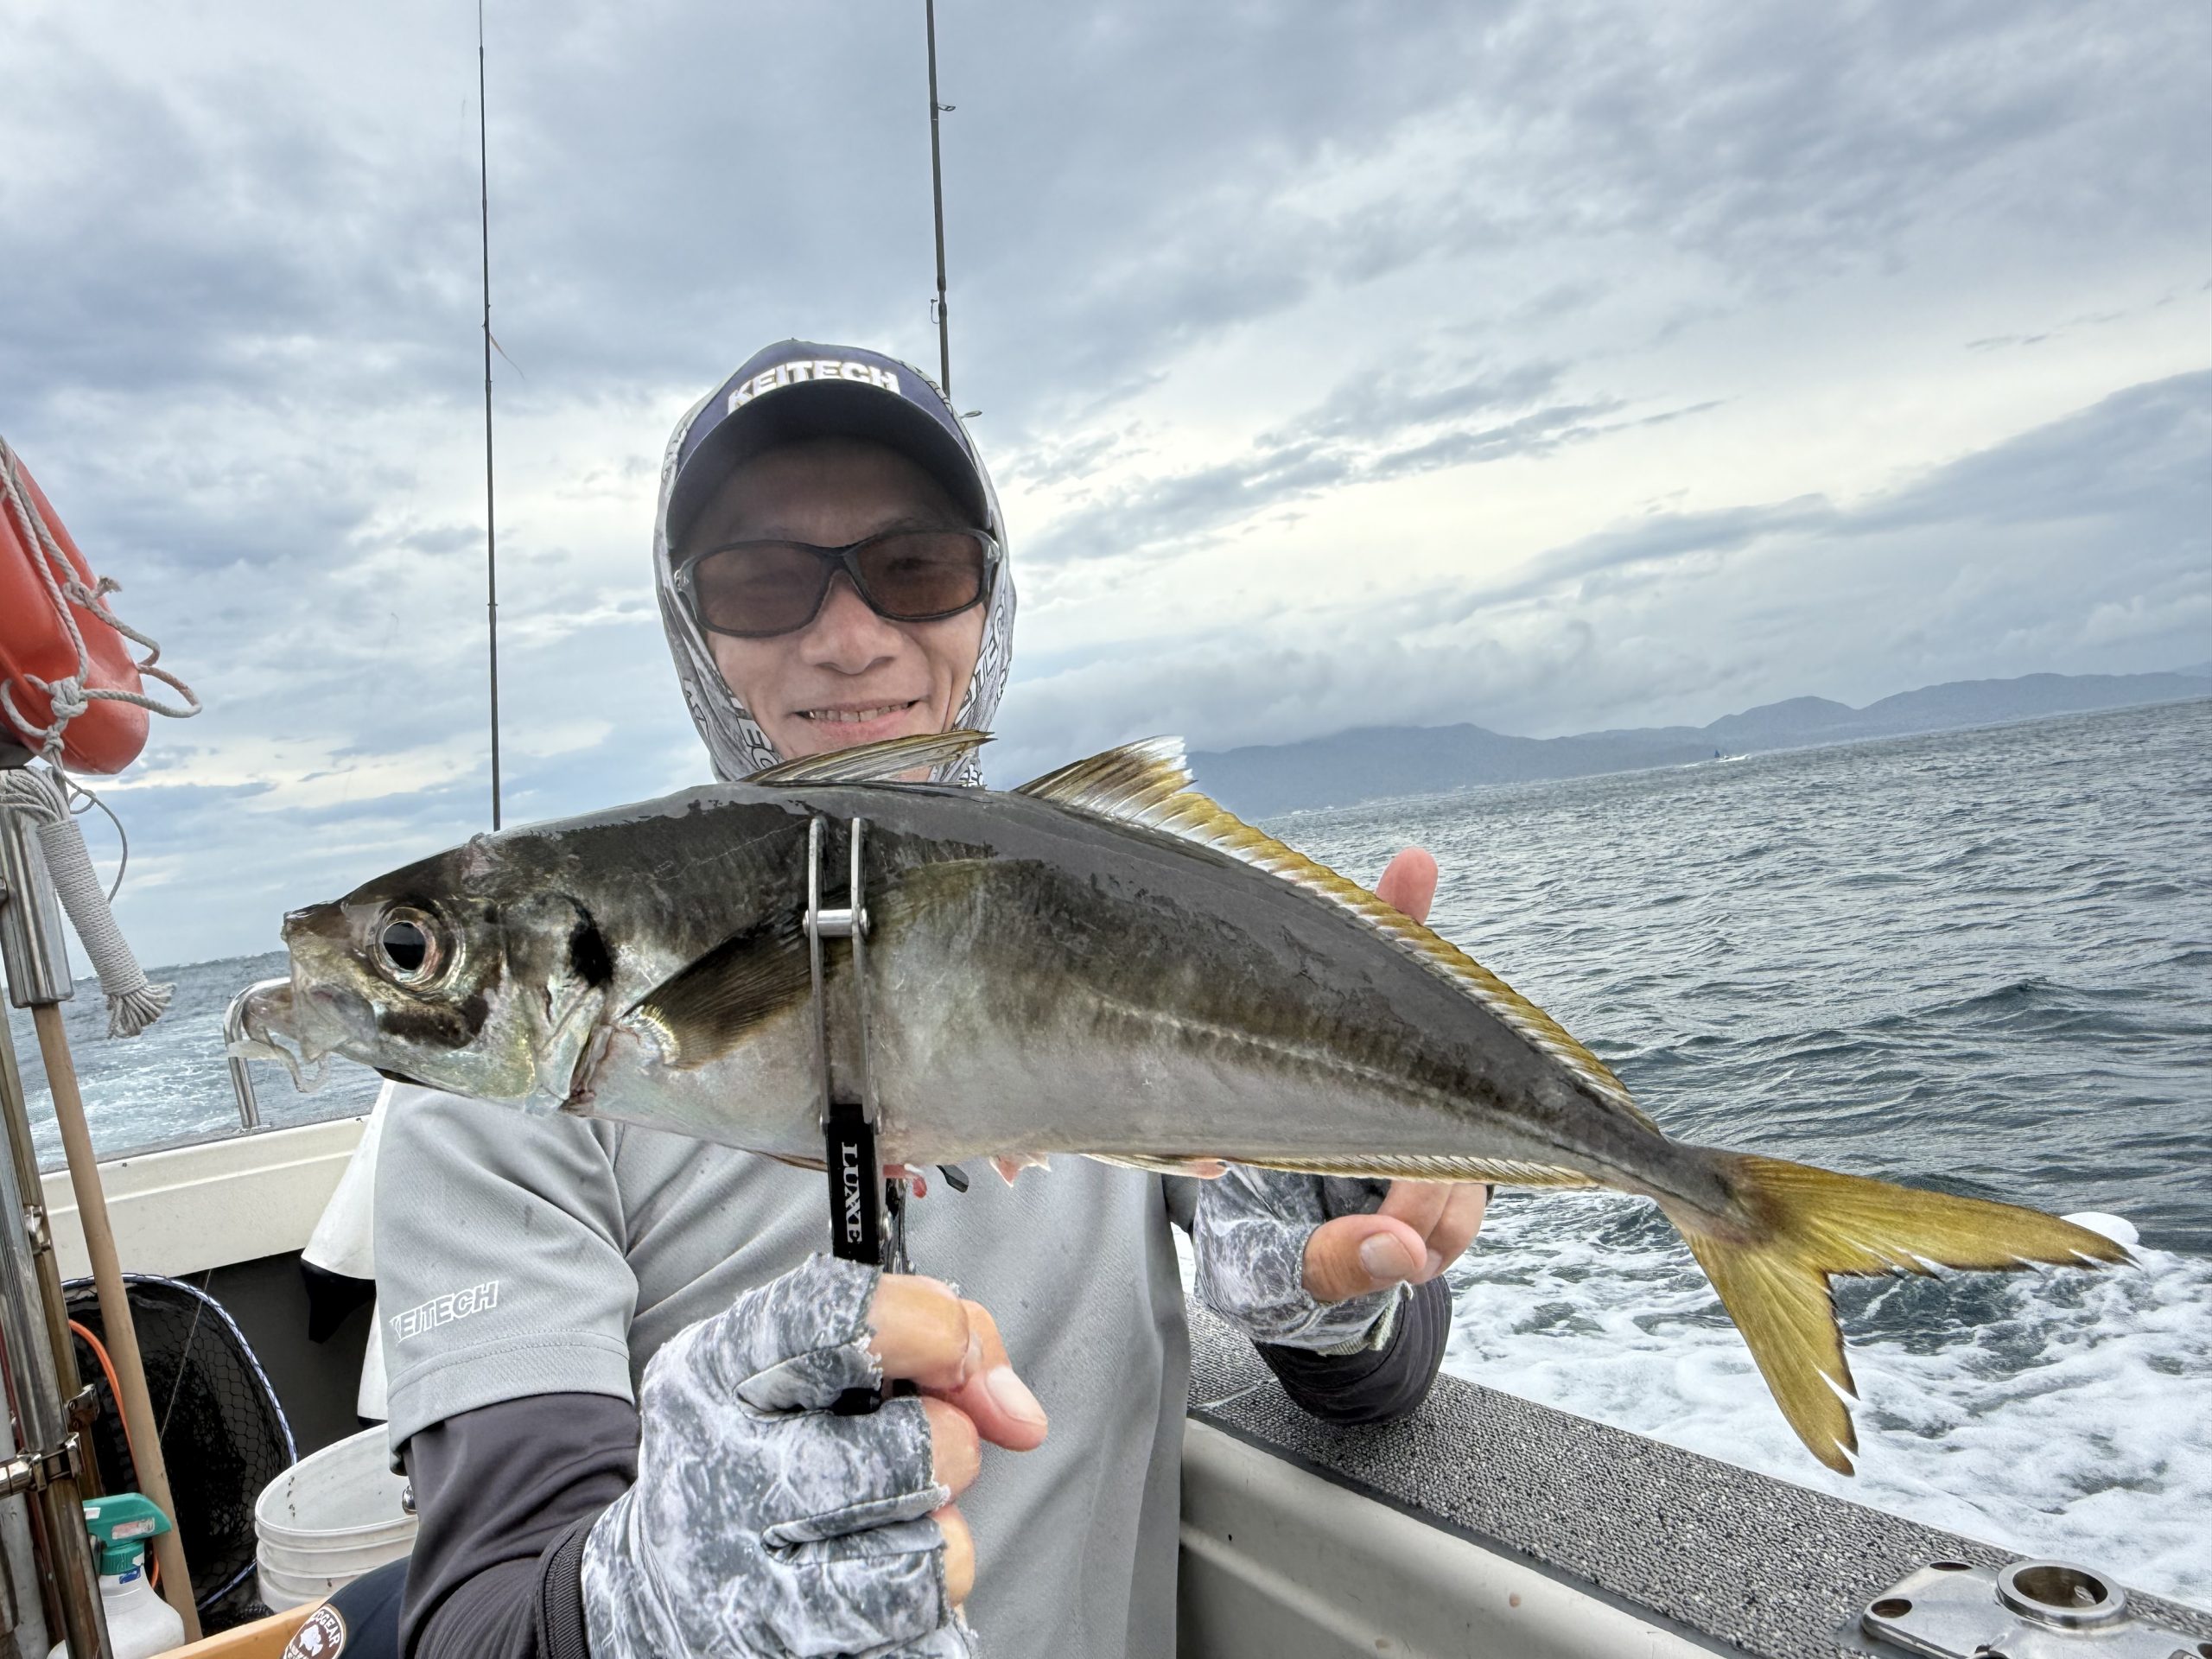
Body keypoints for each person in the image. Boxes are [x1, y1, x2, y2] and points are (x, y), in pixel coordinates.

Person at [363, 341, 1488, 1658]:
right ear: (692, 626)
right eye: (763, 582)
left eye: (917, 569)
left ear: (986, 602)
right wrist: (640, 1601)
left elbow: (1369, 1379)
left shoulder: (1124, 927)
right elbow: (481, 1623)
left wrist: (1346, 1278)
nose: (849, 640)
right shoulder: (502, 1084)